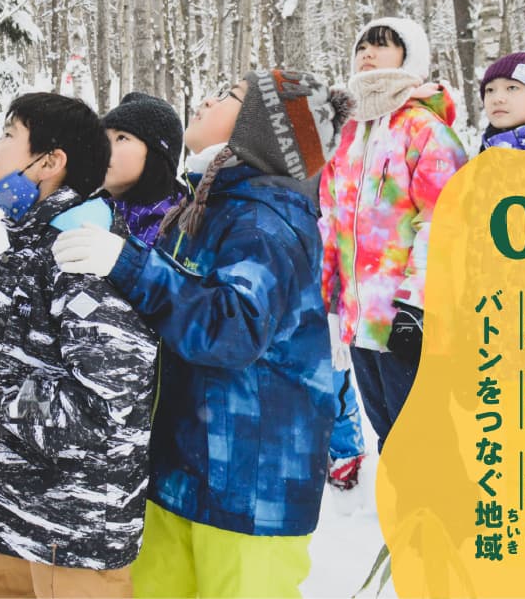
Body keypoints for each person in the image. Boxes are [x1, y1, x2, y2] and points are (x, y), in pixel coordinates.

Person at [54, 69, 352, 598]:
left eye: (230, 95)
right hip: (184, 470)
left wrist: (130, 266)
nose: (207, 97)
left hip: (250, 492)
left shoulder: (266, 220)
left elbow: (231, 330)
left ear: (264, 130)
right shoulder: (210, 203)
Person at [0, 93, 159, 598]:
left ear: (49, 162)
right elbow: (20, 369)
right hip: (11, 515)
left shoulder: (83, 251)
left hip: (74, 535)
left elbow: (109, 403)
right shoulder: (28, 248)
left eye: (8, 136)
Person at [318, 17, 468, 447]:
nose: (367, 52)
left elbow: (443, 222)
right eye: (362, 45)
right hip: (360, 323)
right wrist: (329, 304)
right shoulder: (348, 134)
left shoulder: (424, 129)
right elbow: (331, 221)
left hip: (407, 324)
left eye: (382, 44)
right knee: (391, 440)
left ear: (410, 58)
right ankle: (402, 516)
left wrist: (415, 307)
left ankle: (442, 515)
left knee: (425, 445)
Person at [100, 91, 185, 244]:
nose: (104, 148)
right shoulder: (88, 214)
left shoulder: (184, 229)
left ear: (156, 153)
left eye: (121, 138)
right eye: (104, 139)